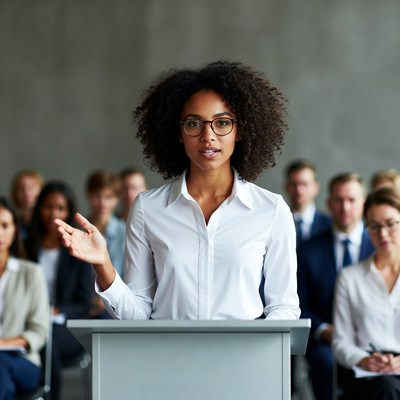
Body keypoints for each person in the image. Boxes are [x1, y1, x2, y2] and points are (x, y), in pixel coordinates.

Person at [55, 60, 300, 322]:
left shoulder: (270, 210)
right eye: (194, 124)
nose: (208, 136)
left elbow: (284, 307)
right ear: (178, 132)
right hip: (168, 355)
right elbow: (137, 314)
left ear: (240, 130)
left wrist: (257, 348)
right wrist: (103, 263)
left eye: (222, 122)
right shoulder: (148, 208)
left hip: (242, 357)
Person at [297, 172, 375, 400]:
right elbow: (299, 303)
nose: (345, 207)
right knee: (325, 362)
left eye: (351, 200)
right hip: (327, 341)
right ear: (329, 203)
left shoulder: (381, 246)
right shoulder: (308, 250)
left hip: (373, 338)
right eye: (339, 200)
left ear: (364, 202)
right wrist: (324, 330)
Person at [26, 181, 94, 400]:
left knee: (47, 340)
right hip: (30, 321)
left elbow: (83, 303)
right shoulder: (27, 245)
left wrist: (55, 311)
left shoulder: (78, 246)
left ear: (68, 211)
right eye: (48, 206)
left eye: (60, 208)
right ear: (39, 208)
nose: (53, 213)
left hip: (66, 326)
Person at [333, 187, 400, 399]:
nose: (383, 234)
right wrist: (365, 360)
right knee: (386, 387)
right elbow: (340, 341)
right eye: (374, 226)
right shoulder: (349, 277)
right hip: (367, 370)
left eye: (391, 224)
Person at [0, 197, 49, 399]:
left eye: (4, 225)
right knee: (4, 385)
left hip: (23, 360)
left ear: (14, 230)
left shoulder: (31, 272)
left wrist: (3, 343)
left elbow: (39, 331)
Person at [85, 169, 126, 318]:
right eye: (97, 196)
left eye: (109, 197)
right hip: (82, 304)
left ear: (117, 199)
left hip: (114, 305)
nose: (103, 203)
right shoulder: (78, 231)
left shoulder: (125, 232)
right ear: (88, 195)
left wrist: (107, 300)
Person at [284, 159, 331, 242]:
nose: (299, 190)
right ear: (286, 187)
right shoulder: (277, 222)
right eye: (294, 184)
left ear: (316, 187)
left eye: (304, 184)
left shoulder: (330, 225)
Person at [10, 169, 44, 241]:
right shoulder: (12, 220)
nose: (26, 192)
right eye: (21, 188)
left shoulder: (48, 221)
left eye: (32, 186)